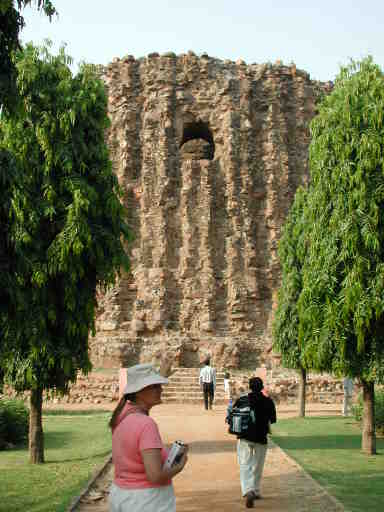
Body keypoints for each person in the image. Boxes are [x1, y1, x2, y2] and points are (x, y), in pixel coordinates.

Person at [108, 364, 188, 512]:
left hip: (121, 494)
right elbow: (155, 476)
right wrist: (179, 465)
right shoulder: (146, 424)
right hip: (147, 500)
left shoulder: (121, 417)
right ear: (138, 392)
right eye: (154, 386)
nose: (160, 389)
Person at [234, 376, 276, 508]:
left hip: (245, 436)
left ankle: (247, 490)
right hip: (261, 437)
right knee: (258, 465)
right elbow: (273, 419)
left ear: (250, 387)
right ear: (262, 387)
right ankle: (256, 490)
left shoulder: (242, 400)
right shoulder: (268, 401)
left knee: (244, 464)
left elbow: (234, 416)